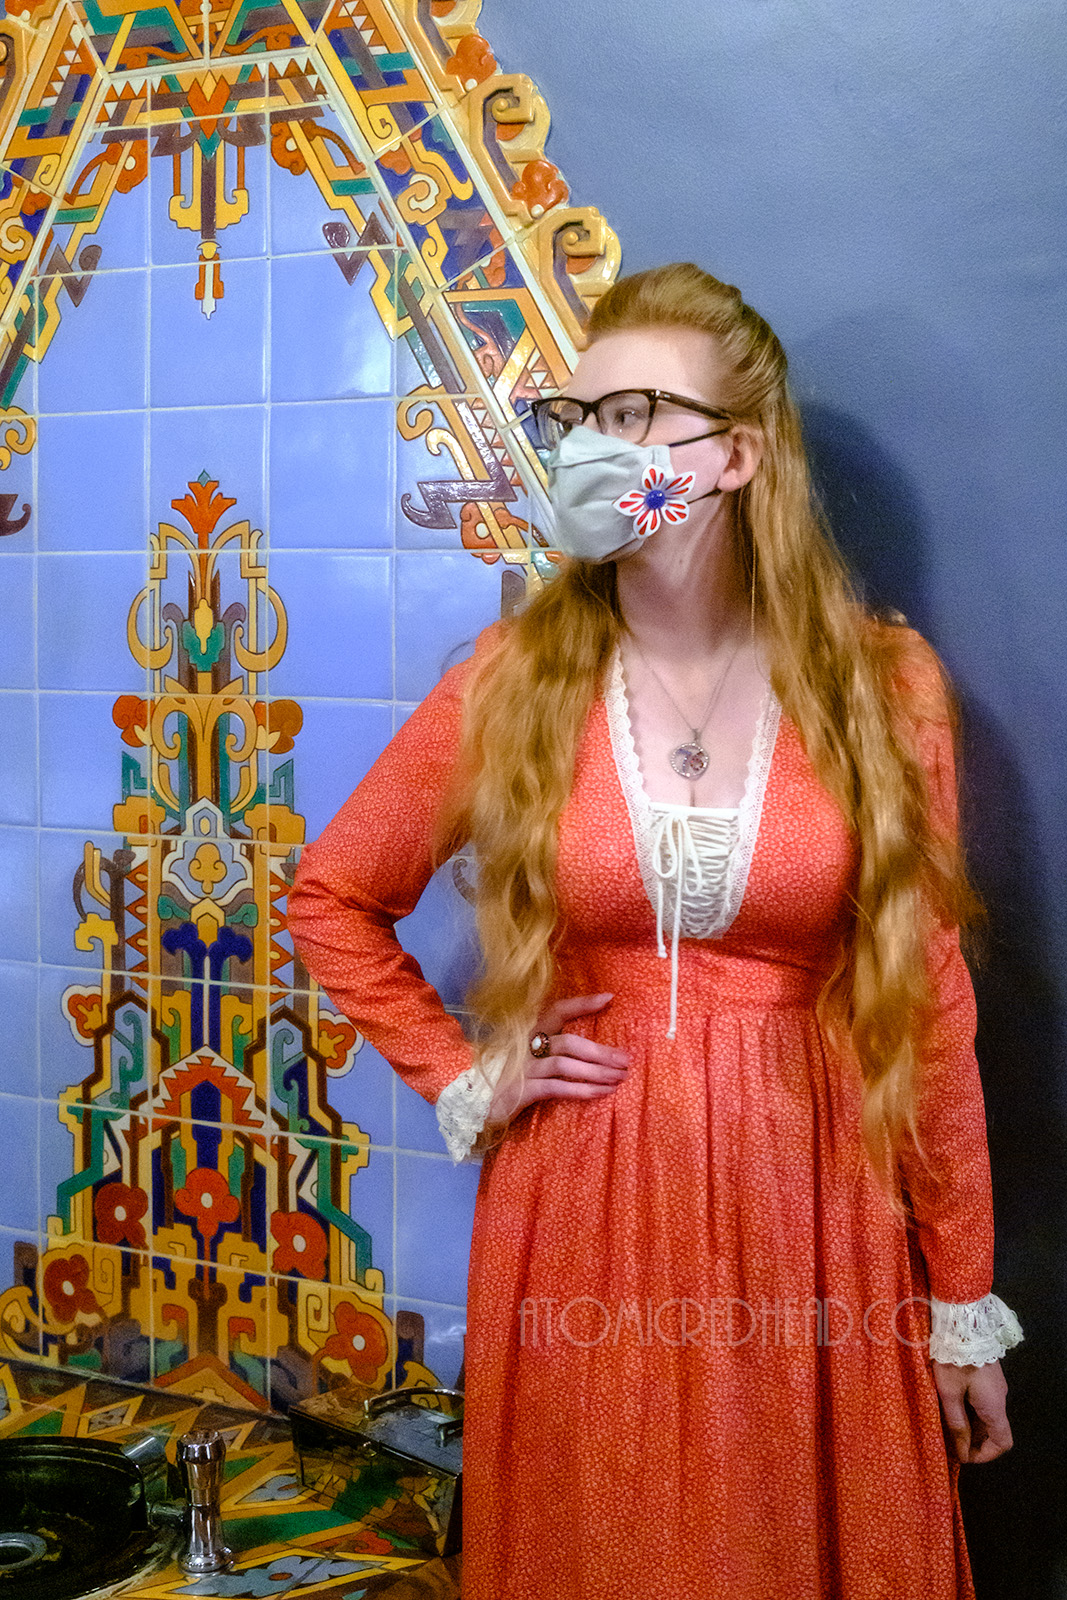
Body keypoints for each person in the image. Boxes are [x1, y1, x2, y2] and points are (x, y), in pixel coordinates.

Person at [287, 262, 1023, 1599]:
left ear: (737, 454)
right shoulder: (513, 682)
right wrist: (463, 1072)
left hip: (813, 1200)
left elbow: (932, 1000)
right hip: (583, 1199)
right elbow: (329, 896)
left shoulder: (880, 685)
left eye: (639, 413)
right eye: (582, 417)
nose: (598, 448)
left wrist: (960, 1300)